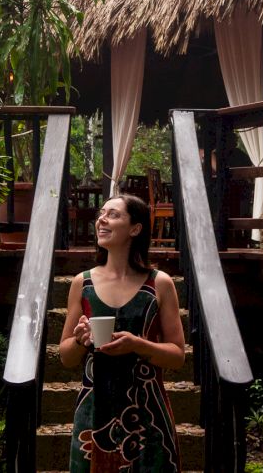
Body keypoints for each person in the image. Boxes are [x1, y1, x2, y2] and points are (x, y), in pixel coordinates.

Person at [59, 194, 186, 472]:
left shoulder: (159, 284)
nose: (101, 219)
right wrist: (81, 341)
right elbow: (66, 357)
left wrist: (138, 344)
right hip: (94, 414)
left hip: (146, 415)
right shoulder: (83, 283)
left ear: (135, 228)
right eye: (101, 214)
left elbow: (178, 356)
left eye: (113, 214)